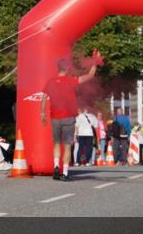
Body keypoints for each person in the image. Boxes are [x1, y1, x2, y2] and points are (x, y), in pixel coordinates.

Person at [40, 53, 99, 181]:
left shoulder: (50, 82)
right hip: (68, 118)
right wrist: (94, 62)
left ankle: (56, 167)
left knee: (56, 143)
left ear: (58, 68)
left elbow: (43, 97)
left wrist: (43, 113)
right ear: (67, 69)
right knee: (67, 145)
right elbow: (90, 75)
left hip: (55, 117)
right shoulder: (71, 81)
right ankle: (65, 173)